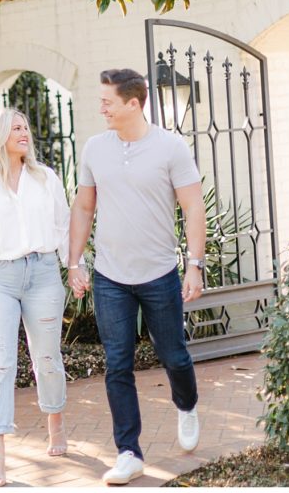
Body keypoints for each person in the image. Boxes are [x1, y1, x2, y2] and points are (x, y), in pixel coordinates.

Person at [67, 68, 207, 485]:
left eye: (107, 100)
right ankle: (128, 451)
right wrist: (75, 262)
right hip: (111, 276)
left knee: (174, 356)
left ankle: (186, 405)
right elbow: (83, 208)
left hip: (160, 272)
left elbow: (193, 208)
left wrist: (194, 265)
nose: (101, 107)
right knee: (117, 364)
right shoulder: (95, 147)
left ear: (134, 103)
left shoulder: (170, 148)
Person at [0, 108, 76, 487]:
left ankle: (55, 421)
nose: (24, 133)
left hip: (42, 274)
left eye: (26, 126)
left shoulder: (46, 179)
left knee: (47, 358)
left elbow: (65, 225)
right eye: (15, 128)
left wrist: (76, 265)